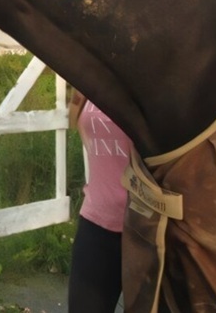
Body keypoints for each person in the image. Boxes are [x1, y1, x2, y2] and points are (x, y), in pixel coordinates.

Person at [67, 89, 132, 312]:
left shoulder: (161, 71)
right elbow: (76, 117)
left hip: (152, 233)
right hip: (96, 225)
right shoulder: (92, 72)